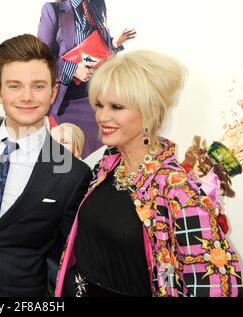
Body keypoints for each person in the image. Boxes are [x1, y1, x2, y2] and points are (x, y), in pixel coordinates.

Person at [55, 50, 243, 297]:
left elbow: (216, 283)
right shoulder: (106, 165)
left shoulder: (177, 189)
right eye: (99, 105)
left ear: (150, 112)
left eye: (116, 107)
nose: (102, 116)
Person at [0, 34, 91, 297]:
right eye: (14, 86)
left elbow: (70, 261)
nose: (26, 97)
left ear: (53, 92)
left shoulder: (72, 173)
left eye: (38, 86)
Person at [38, 0, 136, 158]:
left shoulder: (98, 5)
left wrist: (114, 44)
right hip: (65, 103)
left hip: (94, 98)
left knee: (100, 154)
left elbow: (98, 49)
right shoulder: (53, 10)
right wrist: (73, 69)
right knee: (65, 159)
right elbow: (39, 59)